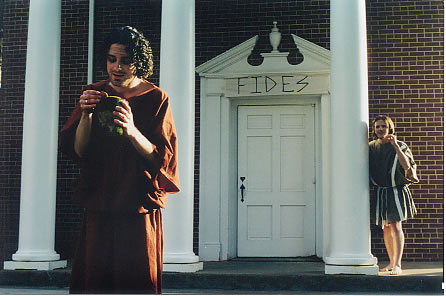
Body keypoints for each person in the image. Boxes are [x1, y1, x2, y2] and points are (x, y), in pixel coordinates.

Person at [59, 26, 180, 294]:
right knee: (95, 281)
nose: (117, 67)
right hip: (99, 199)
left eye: (126, 60)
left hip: (137, 203)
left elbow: (161, 159)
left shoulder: (156, 98)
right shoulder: (94, 92)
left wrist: (132, 130)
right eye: (112, 59)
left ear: (139, 62)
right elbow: (78, 150)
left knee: (137, 282)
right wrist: (86, 115)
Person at [369, 115, 418, 275]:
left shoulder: (401, 146)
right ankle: (390, 263)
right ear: (374, 130)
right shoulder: (372, 147)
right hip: (381, 191)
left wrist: (395, 145)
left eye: (384, 126)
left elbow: (407, 167)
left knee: (396, 226)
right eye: (378, 127)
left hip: (396, 190)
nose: (381, 129)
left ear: (389, 128)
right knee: (386, 228)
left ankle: (398, 265)